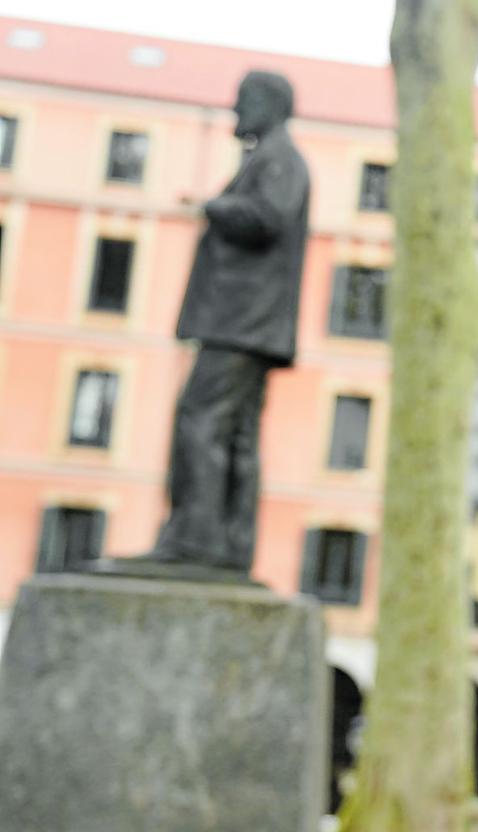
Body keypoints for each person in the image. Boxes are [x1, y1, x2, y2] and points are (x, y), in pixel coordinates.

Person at [143, 70, 310, 575]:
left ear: (268, 105)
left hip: (240, 325)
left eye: (243, 102)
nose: (236, 111)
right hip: (247, 327)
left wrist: (214, 206)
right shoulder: (273, 157)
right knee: (233, 433)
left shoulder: (280, 159)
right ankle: (225, 546)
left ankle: (194, 539)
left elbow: (268, 217)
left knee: (201, 420)